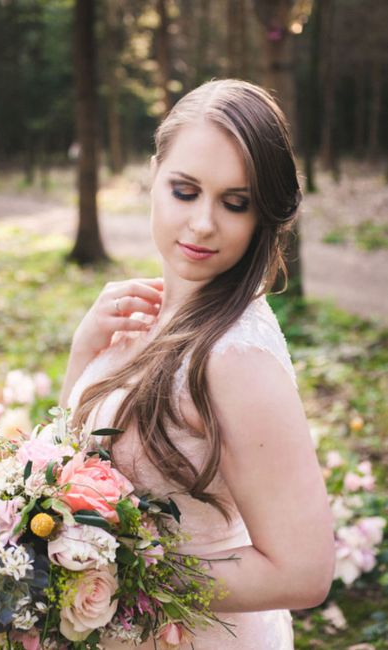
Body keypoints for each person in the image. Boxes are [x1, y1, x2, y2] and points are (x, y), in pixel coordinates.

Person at [60, 78, 335, 649]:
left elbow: (304, 571)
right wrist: (83, 354)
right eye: (185, 191)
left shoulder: (236, 356)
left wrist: (115, 575)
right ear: (154, 176)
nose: (204, 223)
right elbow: (78, 468)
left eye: (235, 204)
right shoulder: (140, 313)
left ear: (261, 216)